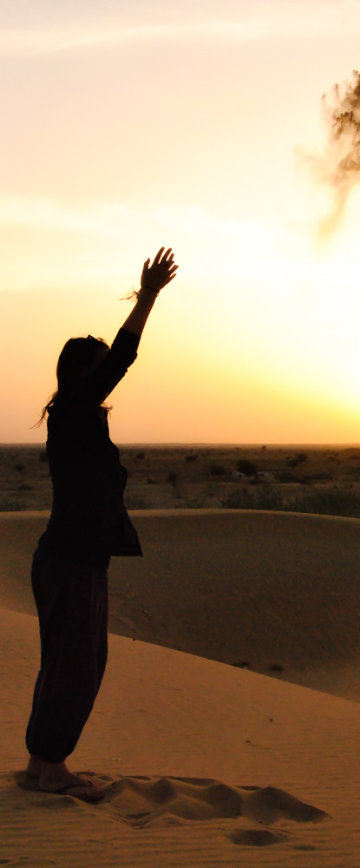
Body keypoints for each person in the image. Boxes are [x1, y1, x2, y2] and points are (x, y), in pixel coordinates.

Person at [25, 248, 178, 801]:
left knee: (69, 661)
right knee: (78, 664)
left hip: (71, 557)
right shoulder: (71, 411)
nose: (107, 370)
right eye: (99, 365)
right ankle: (52, 767)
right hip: (70, 560)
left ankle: (41, 761)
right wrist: (148, 298)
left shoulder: (76, 420)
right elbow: (124, 357)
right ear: (82, 375)